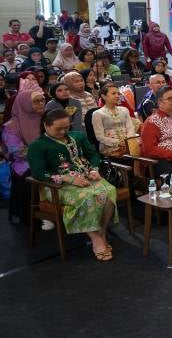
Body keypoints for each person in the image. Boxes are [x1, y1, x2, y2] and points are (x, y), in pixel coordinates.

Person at [29, 109, 118, 261]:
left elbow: (93, 155)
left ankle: (101, 233)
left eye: (66, 127)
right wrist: (67, 179)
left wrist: (94, 169)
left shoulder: (78, 136)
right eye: (58, 128)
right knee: (88, 197)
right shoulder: (37, 146)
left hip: (87, 177)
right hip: (57, 186)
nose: (63, 131)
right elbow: (38, 173)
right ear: (45, 125)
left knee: (109, 191)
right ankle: (95, 239)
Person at [3, 89, 46, 225]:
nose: (41, 104)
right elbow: (18, 152)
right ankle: (34, 217)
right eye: (36, 101)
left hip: (46, 157)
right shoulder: (11, 126)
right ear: (25, 104)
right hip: (24, 162)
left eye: (42, 100)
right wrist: (45, 154)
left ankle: (57, 212)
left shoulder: (45, 119)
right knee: (33, 174)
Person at [91, 85, 137, 157]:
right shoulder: (97, 114)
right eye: (113, 93)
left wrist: (127, 141)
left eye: (118, 93)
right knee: (132, 155)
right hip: (109, 146)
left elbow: (130, 128)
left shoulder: (124, 110)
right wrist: (118, 143)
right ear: (103, 96)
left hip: (128, 143)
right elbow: (99, 136)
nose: (117, 96)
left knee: (142, 151)